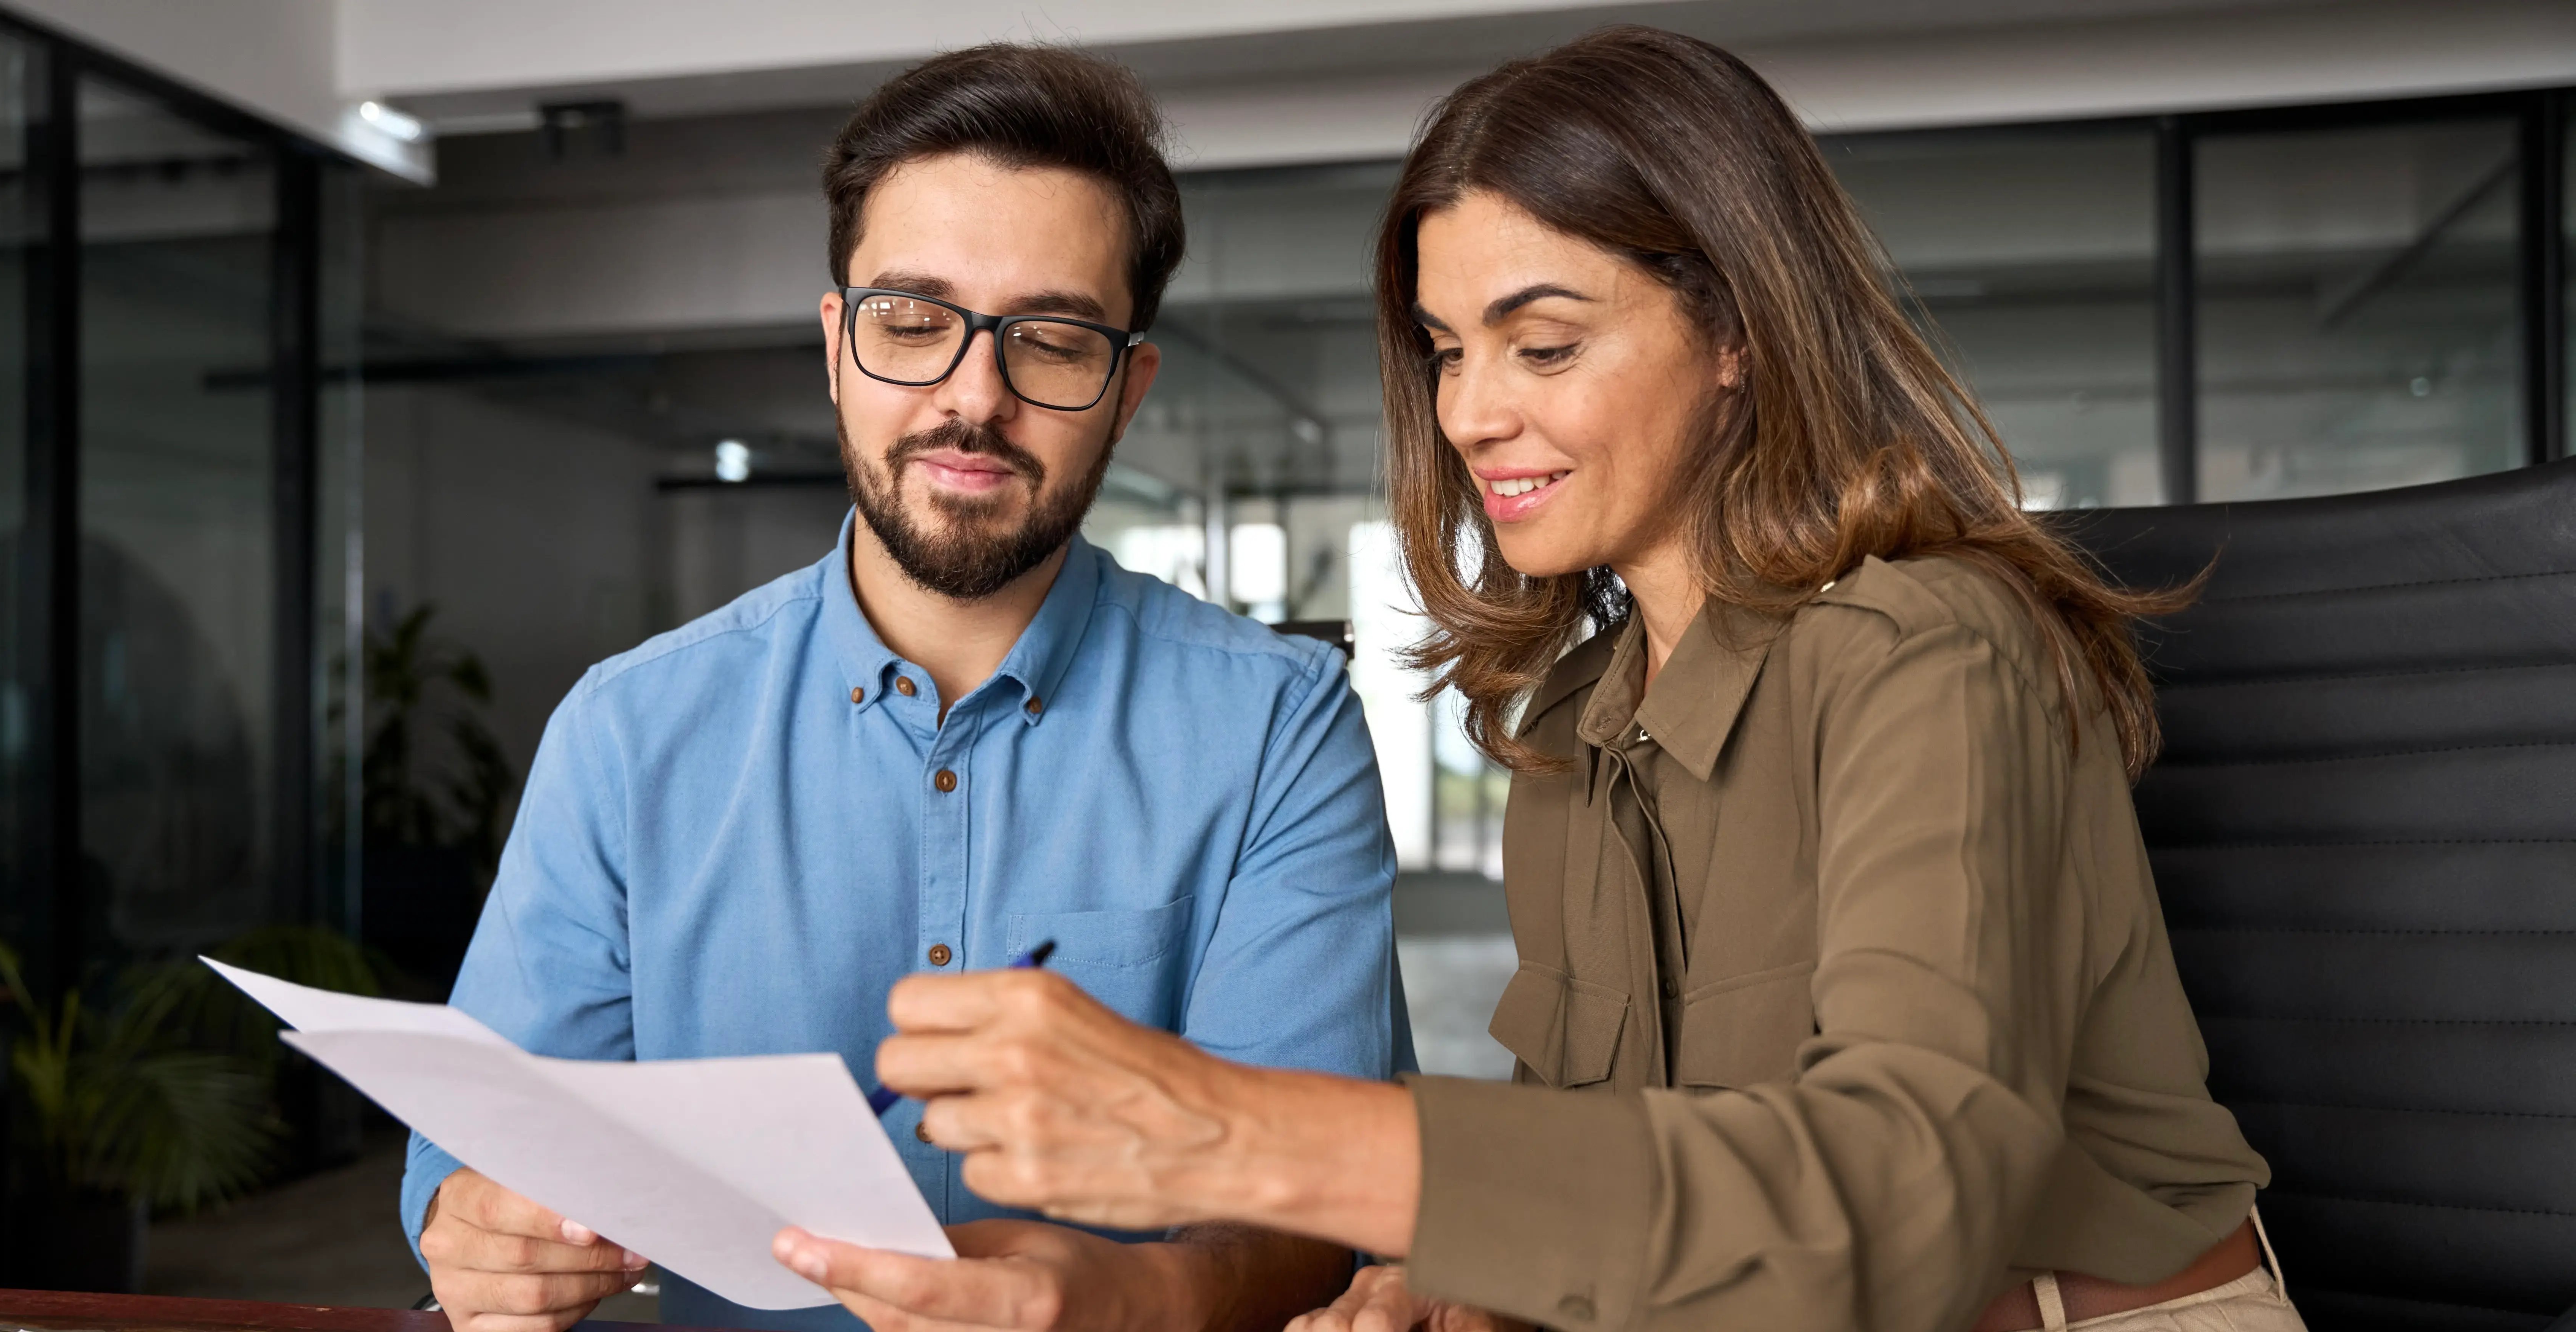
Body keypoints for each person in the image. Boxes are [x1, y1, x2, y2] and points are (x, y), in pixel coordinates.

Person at [812, 26, 2304, 1332]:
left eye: (1543, 343)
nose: (1470, 412)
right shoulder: (1578, 726)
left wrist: (1239, 1134)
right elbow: (1617, 1151)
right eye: (1449, 350)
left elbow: (1897, 1208)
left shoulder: (1935, 648)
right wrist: (1475, 1277)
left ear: (1735, 327)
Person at [400, 44, 1405, 1332]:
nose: (971, 399)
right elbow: (487, 1142)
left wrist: (1133, 1293)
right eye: (915, 323)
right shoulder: (627, 733)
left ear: (1128, 391)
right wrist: (472, 1225)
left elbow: (1313, 1214)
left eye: (1050, 340)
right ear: (838, 345)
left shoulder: (1280, 729)